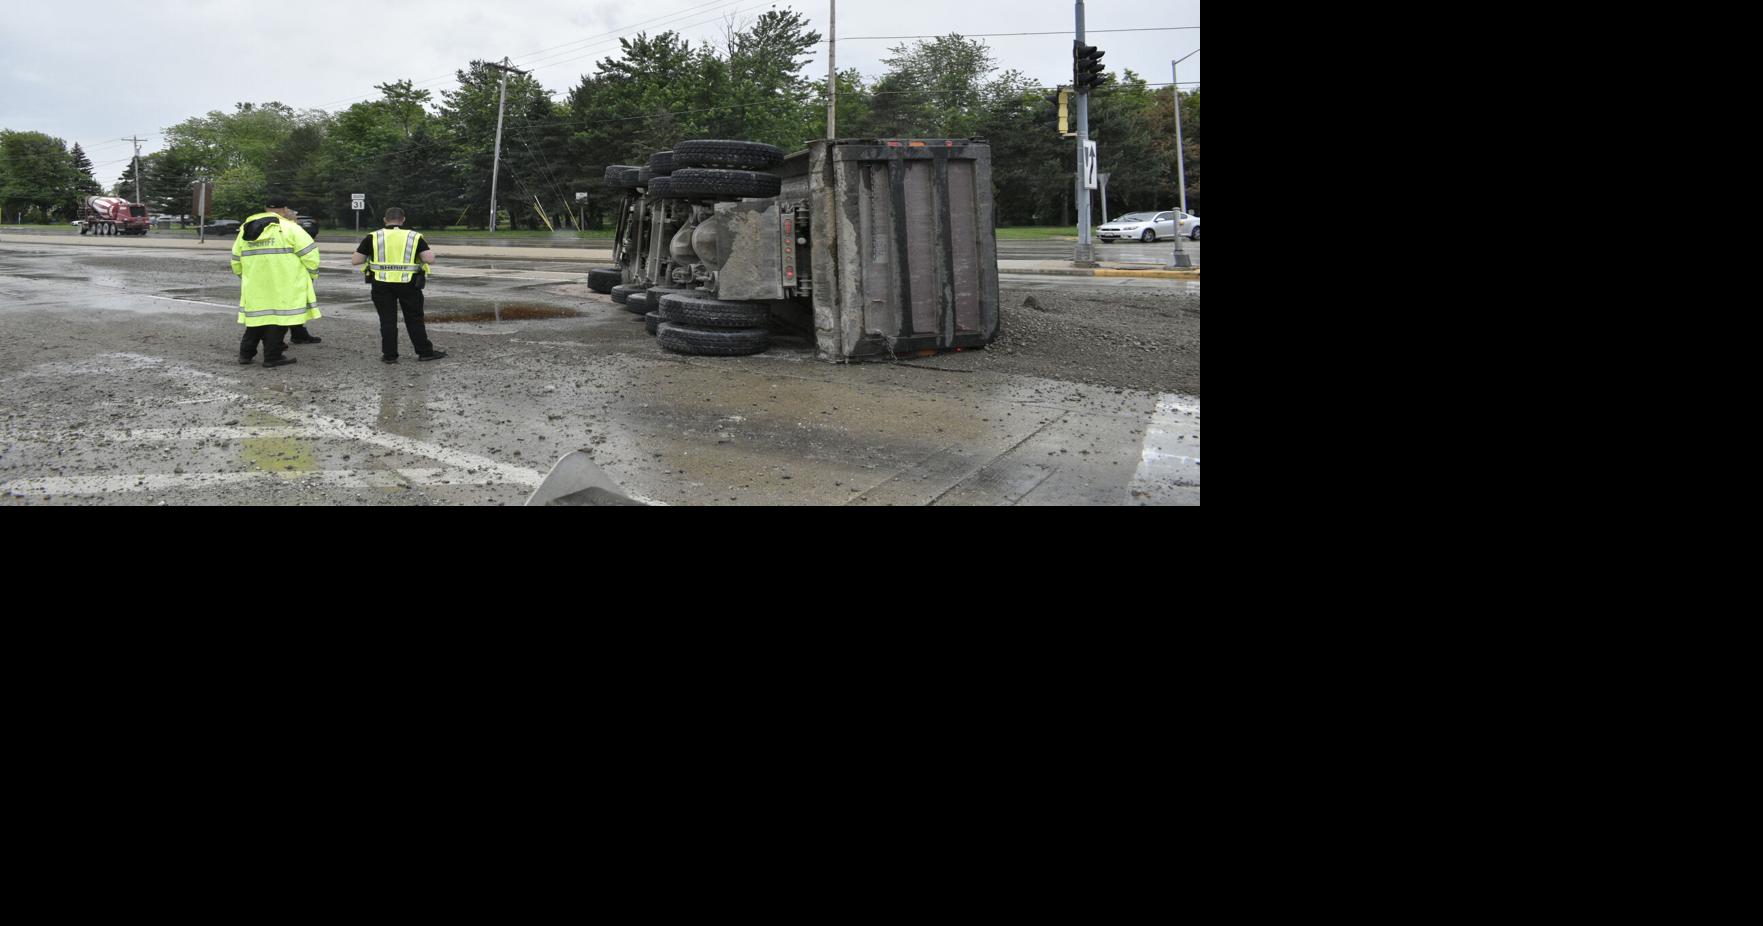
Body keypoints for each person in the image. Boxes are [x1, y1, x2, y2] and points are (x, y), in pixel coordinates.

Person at [231, 194, 321, 368]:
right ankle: (273, 356)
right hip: (285, 284)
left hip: (256, 284)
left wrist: (246, 276)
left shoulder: (246, 229)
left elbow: (236, 258)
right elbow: (310, 255)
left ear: (266, 208)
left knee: (256, 320)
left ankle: (245, 355)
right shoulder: (290, 228)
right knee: (278, 321)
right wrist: (311, 275)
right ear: (285, 210)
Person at [353, 207, 445, 364]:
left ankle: (390, 355)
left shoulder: (374, 237)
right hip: (409, 284)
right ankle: (424, 352)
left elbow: (356, 260)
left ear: (385, 220)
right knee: (414, 319)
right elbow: (429, 259)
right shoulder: (414, 237)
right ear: (403, 220)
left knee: (387, 320)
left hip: (381, 284)